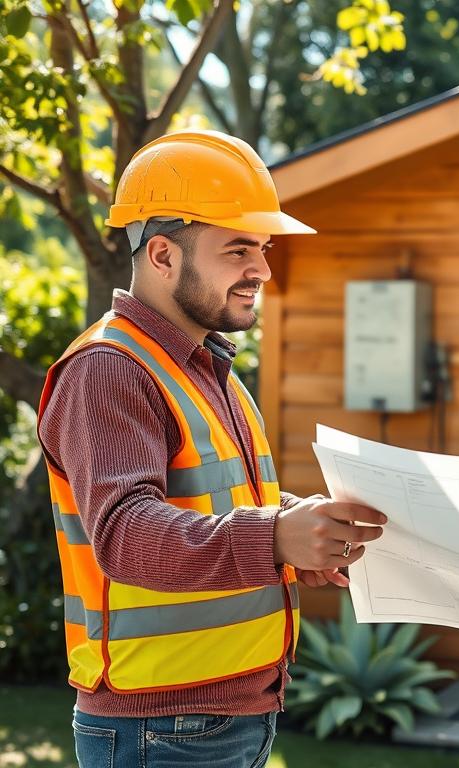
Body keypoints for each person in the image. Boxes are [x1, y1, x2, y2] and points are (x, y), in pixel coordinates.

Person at [37, 130, 387, 767]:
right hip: (160, 729)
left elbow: (216, 502)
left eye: (262, 248)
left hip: (218, 717)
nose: (261, 269)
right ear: (164, 255)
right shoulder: (109, 369)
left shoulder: (202, 366)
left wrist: (296, 528)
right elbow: (125, 534)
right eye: (238, 249)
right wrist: (275, 537)